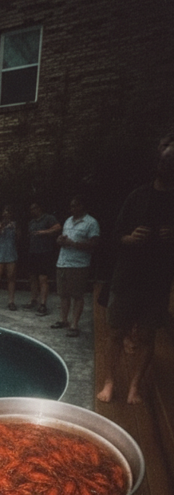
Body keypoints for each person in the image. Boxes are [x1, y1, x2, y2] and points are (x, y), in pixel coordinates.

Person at [97, 132, 174, 404]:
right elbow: (115, 235)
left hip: (158, 280)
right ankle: (109, 382)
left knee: (148, 335)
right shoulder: (137, 196)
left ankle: (135, 386)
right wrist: (129, 238)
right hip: (128, 276)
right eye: (164, 160)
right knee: (116, 332)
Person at [50, 196, 100, 337]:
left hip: (79, 264)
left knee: (77, 295)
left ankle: (74, 325)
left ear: (82, 206)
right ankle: (63, 320)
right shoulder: (68, 221)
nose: (71, 209)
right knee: (63, 294)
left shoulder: (91, 223)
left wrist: (74, 244)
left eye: (74, 206)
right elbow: (64, 238)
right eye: (71, 206)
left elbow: (94, 244)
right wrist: (60, 240)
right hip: (63, 262)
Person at [22, 202, 61, 316]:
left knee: (43, 279)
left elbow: (58, 227)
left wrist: (44, 232)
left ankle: (43, 304)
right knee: (32, 277)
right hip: (33, 252)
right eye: (30, 209)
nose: (32, 211)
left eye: (34, 208)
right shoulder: (31, 222)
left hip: (45, 253)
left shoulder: (48, 218)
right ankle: (33, 299)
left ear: (39, 208)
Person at [0, 205, 19, 310]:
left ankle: (11, 301)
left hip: (11, 253)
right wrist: (2, 226)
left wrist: (14, 228)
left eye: (8, 212)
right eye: (5, 212)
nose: (6, 214)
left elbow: (18, 237)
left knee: (11, 278)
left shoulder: (14, 225)